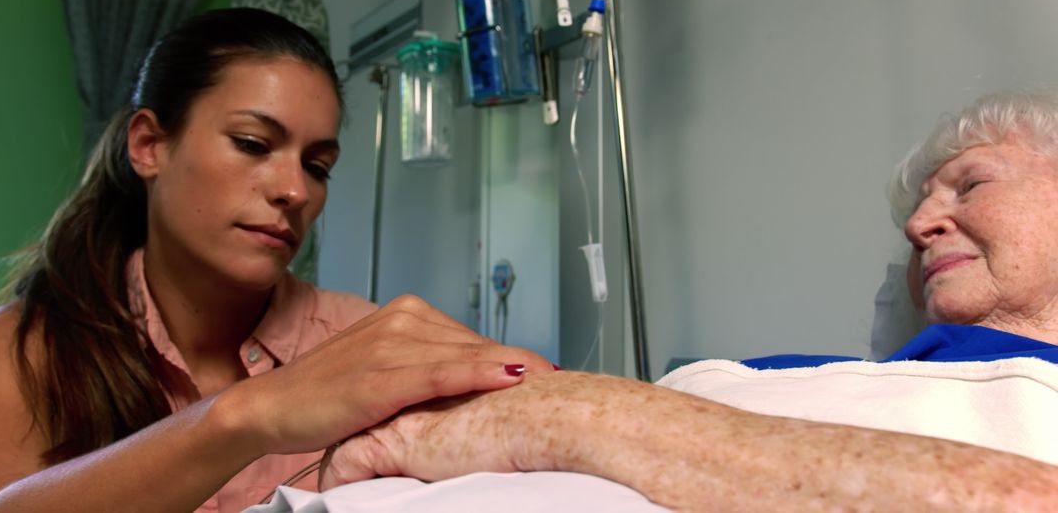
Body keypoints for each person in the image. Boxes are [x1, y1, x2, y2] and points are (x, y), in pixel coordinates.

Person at [317, 90, 1058, 511]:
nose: (917, 224)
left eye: (973, 184)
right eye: (923, 202)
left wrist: (558, 415)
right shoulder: (864, 380)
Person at [0, 8, 553, 513]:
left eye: (318, 166)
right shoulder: (20, 352)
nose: (296, 191)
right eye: (254, 144)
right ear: (149, 145)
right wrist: (248, 415)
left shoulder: (366, 343)